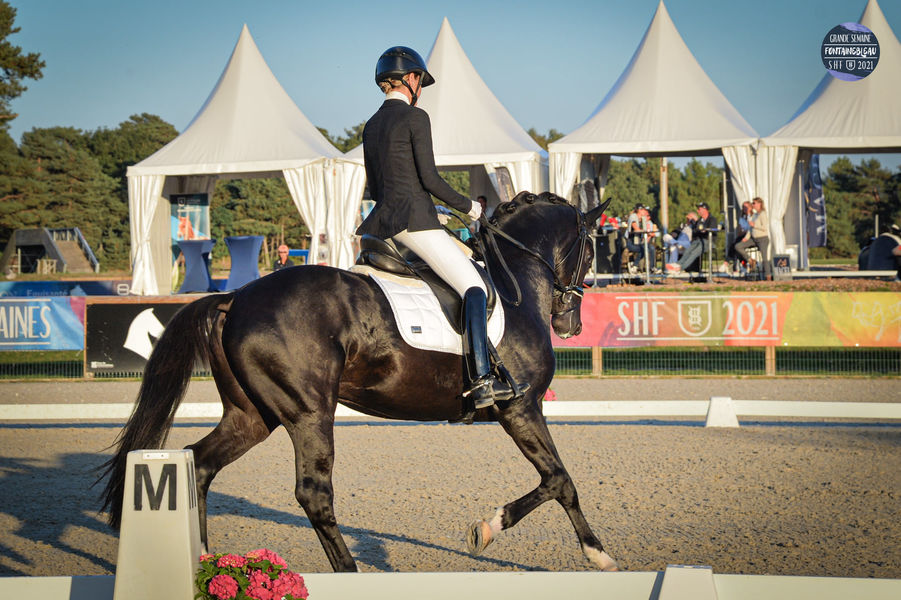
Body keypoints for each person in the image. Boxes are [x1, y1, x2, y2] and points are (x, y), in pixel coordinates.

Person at [355, 46, 515, 409]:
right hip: (415, 223)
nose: (421, 89)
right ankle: (482, 380)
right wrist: (470, 207)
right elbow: (429, 178)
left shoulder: (372, 125)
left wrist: (434, 211)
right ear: (410, 80)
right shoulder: (416, 117)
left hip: (385, 226)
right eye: (420, 82)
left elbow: (379, 188)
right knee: (474, 286)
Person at [666, 202, 717, 274]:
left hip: (708, 241)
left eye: (699, 209)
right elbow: (695, 231)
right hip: (699, 240)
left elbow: (712, 230)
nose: (698, 211)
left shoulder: (712, 219)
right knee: (688, 250)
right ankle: (678, 264)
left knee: (694, 253)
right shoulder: (700, 220)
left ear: (705, 210)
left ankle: (680, 268)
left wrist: (703, 230)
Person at [735, 197, 771, 280]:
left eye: (754, 203)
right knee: (738, 246)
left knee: (764, 258)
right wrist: (746, 238)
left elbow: (764, 227)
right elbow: (750, 229)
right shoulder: (754, 215)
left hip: (762, 239)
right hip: (754, 239)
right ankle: (750, 260)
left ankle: (768, 276)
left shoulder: (763, 214)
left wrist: (754, 225)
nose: (753, 205)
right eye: (752, 203)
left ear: (759, 204)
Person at [625, 204, 659, 274]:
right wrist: (645, 231)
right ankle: (634, 266)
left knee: (651, 248)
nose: (646, 212)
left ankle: (652, 267)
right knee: (643, 249)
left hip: (639, 242)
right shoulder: (633, 217)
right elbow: (636, 228)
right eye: (644, 210)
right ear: (639, 210)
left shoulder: (643, 218)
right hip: (631, 242)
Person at [721, 201, 752, 274]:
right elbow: (739, 231)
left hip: (751, 236)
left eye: (746, 207)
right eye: (743, 207)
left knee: (735, 246)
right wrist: (744, 231)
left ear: (750, 207)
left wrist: (745, 231)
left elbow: (751, 229)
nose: (744, 209)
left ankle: (726, 262)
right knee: (734, 246)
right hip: (743, 236)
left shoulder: (753, 216)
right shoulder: (742, 218)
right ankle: (744, 265)